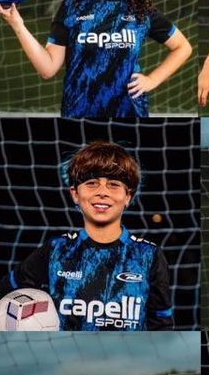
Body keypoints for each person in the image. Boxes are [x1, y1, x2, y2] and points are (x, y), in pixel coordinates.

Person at [0, 0, 190, 120]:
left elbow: (183, 47)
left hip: (129, 112)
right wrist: (17, 24)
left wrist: (152, 80)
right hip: (79, 111)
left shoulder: (143, 12)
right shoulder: (71, 7)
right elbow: (48, 69)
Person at [13, 140, 174, 334]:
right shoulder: (57, 249)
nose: (102, 192)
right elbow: (5, 291)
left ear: (128, 196)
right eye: (91, 183)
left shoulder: (149, 255)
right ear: (75, 194)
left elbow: (162, 327)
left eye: (114, 185)